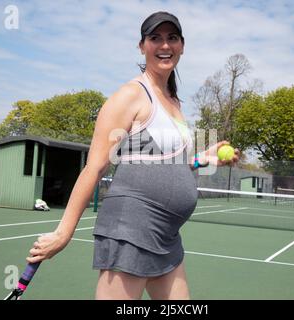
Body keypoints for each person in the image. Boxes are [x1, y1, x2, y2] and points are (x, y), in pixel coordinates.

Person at [27, 11, 239, 300]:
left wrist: (205, 159)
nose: (165, 45)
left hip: (166, 237)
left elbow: (164, 164)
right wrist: (63, 233)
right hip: (131, 229)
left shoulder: (173, 100)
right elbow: (95, 167)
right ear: (142, 46)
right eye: (155, 38)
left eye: (172, 38)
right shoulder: (131, 95)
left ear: (182, 45)